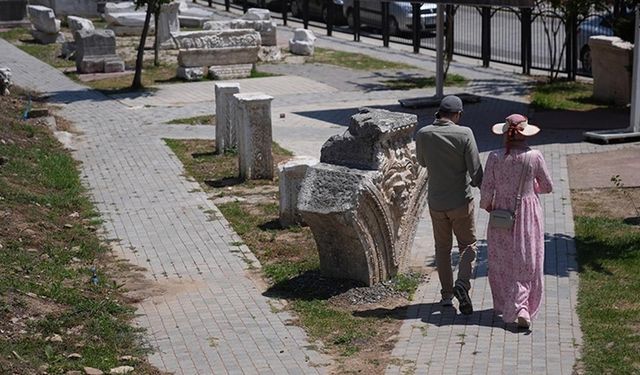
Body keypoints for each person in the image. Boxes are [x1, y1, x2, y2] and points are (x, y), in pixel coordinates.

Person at [479, 114, 553, 330]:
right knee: (528, 259)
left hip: (501, 214)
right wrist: (532, 189)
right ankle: (523, 307)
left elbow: (486, 189)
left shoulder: (494, 156)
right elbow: (547, 186)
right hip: (528, 214)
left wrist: (488, 205)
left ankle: (508, 305)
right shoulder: (535, 157)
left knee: (502, 260)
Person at [415, 95, 483, 315]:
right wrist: (485, 189)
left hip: (436, 203)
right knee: (468, 245)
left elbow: (422, 162)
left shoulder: (424, 134)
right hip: (461, 201)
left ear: (438, 113)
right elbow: (475, 170)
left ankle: (446, 296)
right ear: (457, 114)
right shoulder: (465, 134)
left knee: (442, 249)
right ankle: (462, 284)